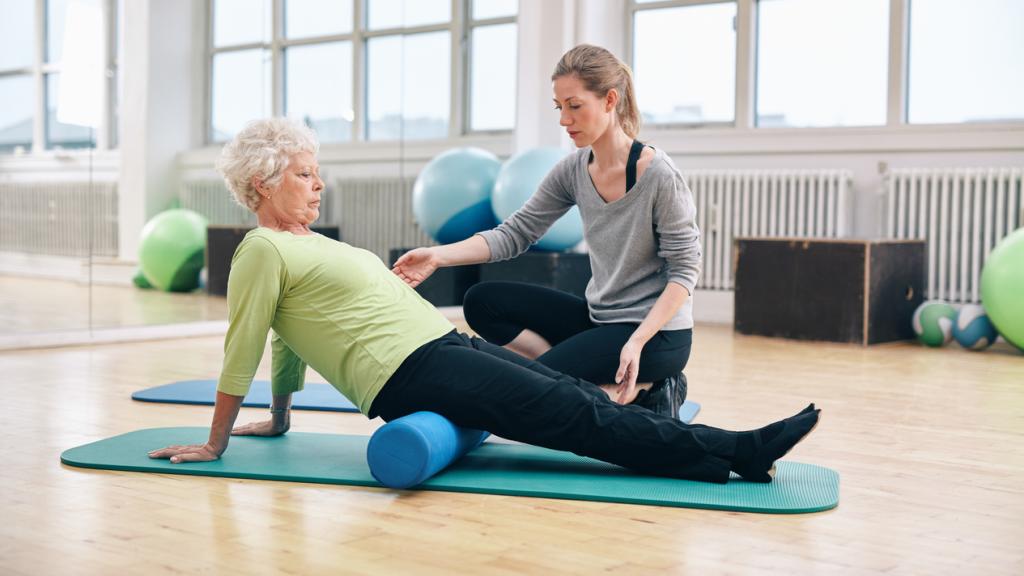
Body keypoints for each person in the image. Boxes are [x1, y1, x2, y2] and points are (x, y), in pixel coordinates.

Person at [148, 118, 820, 485]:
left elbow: (288, 338)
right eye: (303, 174)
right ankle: (739, 449)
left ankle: (720, 457)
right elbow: (251, 337)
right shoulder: (263, 251)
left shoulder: (306, 244)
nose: (318, 185)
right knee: (571, 415)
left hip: (446, 350)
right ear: (263, 183)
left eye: (318, 173)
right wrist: (218, 440)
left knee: (580, 401)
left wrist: (284, 416)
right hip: (413, 374)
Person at [393, 45, 697, 419]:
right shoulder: (571, 171)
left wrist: (636, 342)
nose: (564, 119)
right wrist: (438, 256)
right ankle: (564, 375)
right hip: (601, 318)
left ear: (609, 100)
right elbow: (515, 233)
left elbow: (684, 271)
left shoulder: (659, 175)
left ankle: (655, 386)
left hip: (658, 335)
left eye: (574, 105)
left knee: (530, 394)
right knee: (482, 301)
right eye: (559, 107)